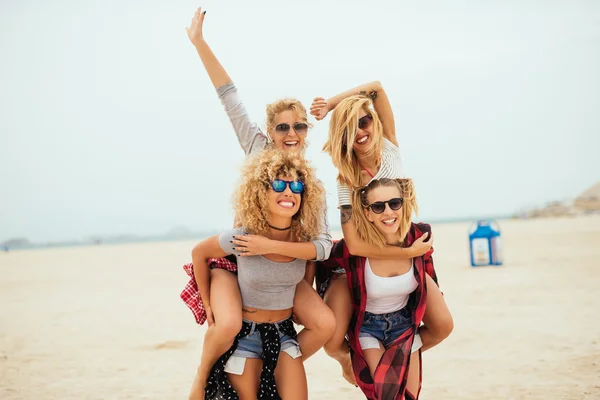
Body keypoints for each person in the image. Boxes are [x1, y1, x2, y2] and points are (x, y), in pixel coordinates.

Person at [183, 8, 335, 398]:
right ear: (271, 131)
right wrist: (200, 43)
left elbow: (318, 248)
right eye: (282, 126)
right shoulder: (257, 151)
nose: (290, 133)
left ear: (307, 130)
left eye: (298, 125)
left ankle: (282, 363)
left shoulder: (310, 185)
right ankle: (203, 378)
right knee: (229, 324)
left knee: (323, 322)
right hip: (241, 261)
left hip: (284, 269)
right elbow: (229, 98)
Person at [310, 83, 451, 384]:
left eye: (364, 120)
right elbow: (355, 245)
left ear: (373, 121)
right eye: (349, 128)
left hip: (409, 252)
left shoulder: (390, 146)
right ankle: (349, 359)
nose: (360, 131)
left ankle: (400, 348)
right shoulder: (346, 181)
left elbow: (376, 88)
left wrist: (332, 104)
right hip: (373, 259)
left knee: (443, 325)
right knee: (334, 343)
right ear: (342, 138)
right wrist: (408, 253)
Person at [192, 148, 325, 399]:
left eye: (296, 186)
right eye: (279, 184)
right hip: (246, 337)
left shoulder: (304, 241)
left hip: (283, 335)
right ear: (261, 191)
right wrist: (207, 303)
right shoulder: (243, 237)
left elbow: (310, 266)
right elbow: (199, 254)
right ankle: (199, 383)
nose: (288, 192)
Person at [318, 178, 452, 399]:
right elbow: (322, 259)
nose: (388, 211)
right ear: (368, 213)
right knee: (386, 393)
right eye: (378, 206)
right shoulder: (355, 249)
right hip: (368, 327)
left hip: (404, 325)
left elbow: (429, 273)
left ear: (403, 204)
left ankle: (405, 352)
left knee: (409, 395)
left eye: (394, 203)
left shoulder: (418, 237)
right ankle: (353, 358)